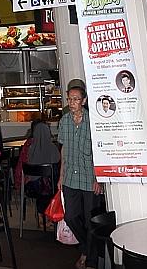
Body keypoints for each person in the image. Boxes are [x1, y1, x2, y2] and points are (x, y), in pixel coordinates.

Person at [56, 79, 103, 269]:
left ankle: (90, 260)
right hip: (70, 177)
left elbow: (100, 151)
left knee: (91, 220)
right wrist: (61, 176)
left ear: (83, 101)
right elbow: (64, 150)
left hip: (89, 177)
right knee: (71, 217)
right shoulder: (64, 121)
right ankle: (86, 248)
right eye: (69, 99)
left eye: (76, 99)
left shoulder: (93, 122)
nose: (72, 102)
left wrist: (99, 178)